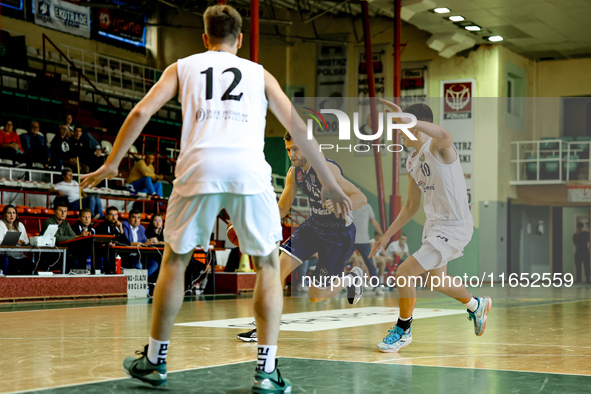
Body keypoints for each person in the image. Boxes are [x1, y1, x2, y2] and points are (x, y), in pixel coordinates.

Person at [81, 5, 351, 391]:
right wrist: (329, 181)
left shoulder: (182, 66)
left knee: (175, 260)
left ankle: (155, 361)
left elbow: (141, 111)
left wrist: (112, 163)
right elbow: (298, 128)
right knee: (269, 266)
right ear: (240, 40)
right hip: (248, 170)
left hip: (198, 167)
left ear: (205, 38)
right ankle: (267, 370)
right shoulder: (259, 74)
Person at [369, 100, 491, 353]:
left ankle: (403, 330)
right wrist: (387, 236)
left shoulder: (438, 147)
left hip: (454, 226)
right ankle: (476, 305)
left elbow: (445, 134)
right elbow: (412, 205)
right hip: (434, 226)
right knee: (436, 282)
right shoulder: (412, 161)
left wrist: (406, 119)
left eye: (402, 126)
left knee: (403, 273)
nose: (399, 133)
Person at [236, 131, 367, 342]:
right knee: (275, 272)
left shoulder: (327, 170)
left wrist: (343, 203)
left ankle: (352, 278)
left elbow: (360, 196)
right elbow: (282, 208)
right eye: (288, 149)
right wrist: (253, 221)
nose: (291, 154)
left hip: (338, 233)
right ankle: (262, 327)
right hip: (314, 226)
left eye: (296, 148)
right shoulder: (293, 173)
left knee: (315, 296)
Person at [350, 203, 384, 294]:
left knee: (370, 264)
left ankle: (376, 287)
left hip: (364, 241)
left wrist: (382, 235)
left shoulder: (368, 207)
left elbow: (374, 222)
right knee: (342, 262)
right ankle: (337, 285)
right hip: (351, 240)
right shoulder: (349, 205)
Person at [121, 209, 159, 276]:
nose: (136, 220)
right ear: (129, 218)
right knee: (139, 265)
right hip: (127, 257)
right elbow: (126, 242)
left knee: (154, 264)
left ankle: (143, 280)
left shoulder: (141, 228)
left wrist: (150, 241)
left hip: (139, 257)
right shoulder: (124, 226)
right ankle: (143, 282)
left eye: (138, 218)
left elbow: (144, 241)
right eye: (134, 217)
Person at [0, 204, 32, 275]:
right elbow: (0, 241)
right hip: (5, 254)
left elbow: (26, 241)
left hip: (19, 255)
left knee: (29, 264)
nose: (12, 215)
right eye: (9, 213)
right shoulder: (1, 224)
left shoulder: (20, 225)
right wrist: (14, 241)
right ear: (4, 214)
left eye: (14, 213)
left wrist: (22, 242)